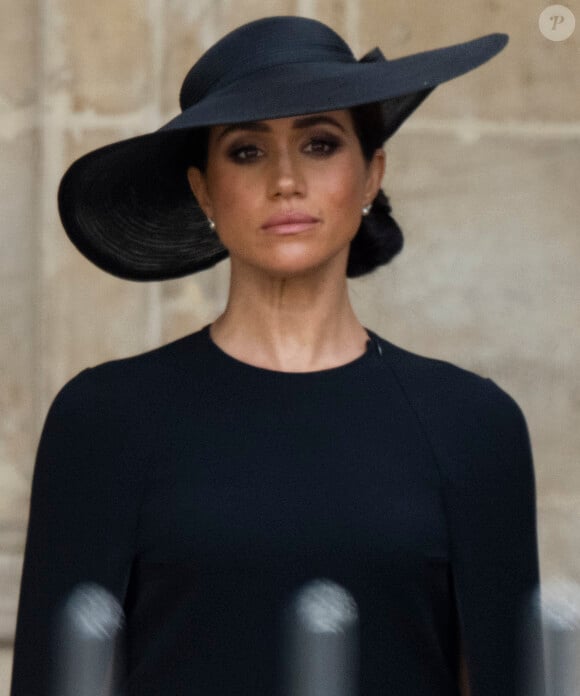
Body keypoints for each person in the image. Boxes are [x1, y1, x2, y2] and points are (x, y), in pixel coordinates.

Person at [10, 15, 540, 696]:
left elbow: (509, 679)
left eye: (319, 143)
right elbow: (56, 677)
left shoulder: (473, 425)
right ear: (204, 190)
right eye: (247, 151)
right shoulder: (105, 419)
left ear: (371, 173)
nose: (286, 180)